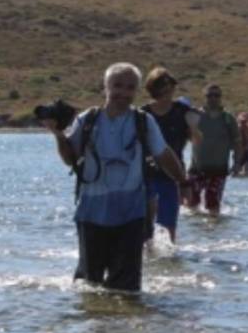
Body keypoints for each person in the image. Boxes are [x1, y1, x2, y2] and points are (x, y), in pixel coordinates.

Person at [43, 62, 189, 292]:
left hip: (131, 214)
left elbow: (163, 155)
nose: (123, 92)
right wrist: (58, 135)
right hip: (91, 213)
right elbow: (70, 159)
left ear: (137, 91)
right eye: (117, 86)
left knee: (127, 288)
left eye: (130, 87)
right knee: (89, 284)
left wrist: (183, 181)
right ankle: (95, 326)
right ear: (105, 87)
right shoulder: (87, 120)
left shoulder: (143, 121)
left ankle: (123, 325)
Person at [141, 67, 201, 243]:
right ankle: (148, 261)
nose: (168, 89)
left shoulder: (182, 111)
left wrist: (194, 127)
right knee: (146, 228)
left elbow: (196, 141)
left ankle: (170, 260)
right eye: (162, 85)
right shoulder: (143, 113)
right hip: (146, 175)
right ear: (153, 88)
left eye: (170, 85)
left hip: (173, 175)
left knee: (169, 226)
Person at [187, 83, 242, 217]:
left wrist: (237, 163)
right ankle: (197, 233)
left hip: (218, 170)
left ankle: (214, 234)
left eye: (216, 95)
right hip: (196, 169)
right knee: (191, 205)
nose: (213, 98)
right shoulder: (195, 115)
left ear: (220, 97)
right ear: (204, 97)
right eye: (209, 95)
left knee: (213, 205)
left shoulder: (228, 119)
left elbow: (237, 143)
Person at [232, 112, 248, 176]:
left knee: (246, 173)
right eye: (242, 121)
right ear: (239, 121)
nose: (243, 123)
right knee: (236, 173)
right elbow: (231, 141)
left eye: (245, 121)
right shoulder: (236, 130)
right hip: (238, 154)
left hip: (247, 152)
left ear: (247, 121)